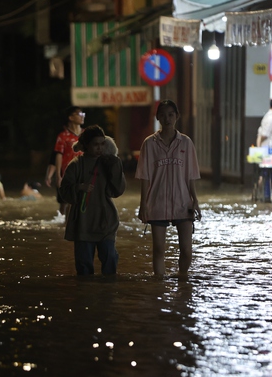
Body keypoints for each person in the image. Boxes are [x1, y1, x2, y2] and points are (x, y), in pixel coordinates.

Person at [136, 100, 202, 278]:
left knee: (187, 250)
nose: (167, 119)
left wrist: (195, 201)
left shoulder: (186, 143)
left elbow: (191, 175)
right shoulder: (149, 144)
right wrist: (144, 205)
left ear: (177, 116)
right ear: (158, 117)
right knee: (158, 250)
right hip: (157, 202)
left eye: (171, 114)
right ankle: (159, 286)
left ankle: (182, 278)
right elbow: (144, 176)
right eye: (163, 115)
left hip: (183, 202)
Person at [59, 125, 126, 276]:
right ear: (86, 145)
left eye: (103, 144)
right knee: (84, 269)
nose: (100, 148)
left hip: (106, 222)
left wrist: (115, 166)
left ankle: (107, 296)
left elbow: (117, 191)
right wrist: (79, 187)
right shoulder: (76, 165)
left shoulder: (109, 163)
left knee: (110, 262)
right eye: (96, 144)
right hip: (83, 224)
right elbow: (64, 192)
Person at [50, 106, 86, 215]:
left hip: (82, 173)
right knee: (64, 202)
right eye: (79, 114)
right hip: (66, 174)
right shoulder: (62, 136)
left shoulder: (86, 134)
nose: (82, 117)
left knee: (80, 201)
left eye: (83, 114)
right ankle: (63, 226)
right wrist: (58, 176)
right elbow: (58, 155)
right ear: (71, 117)